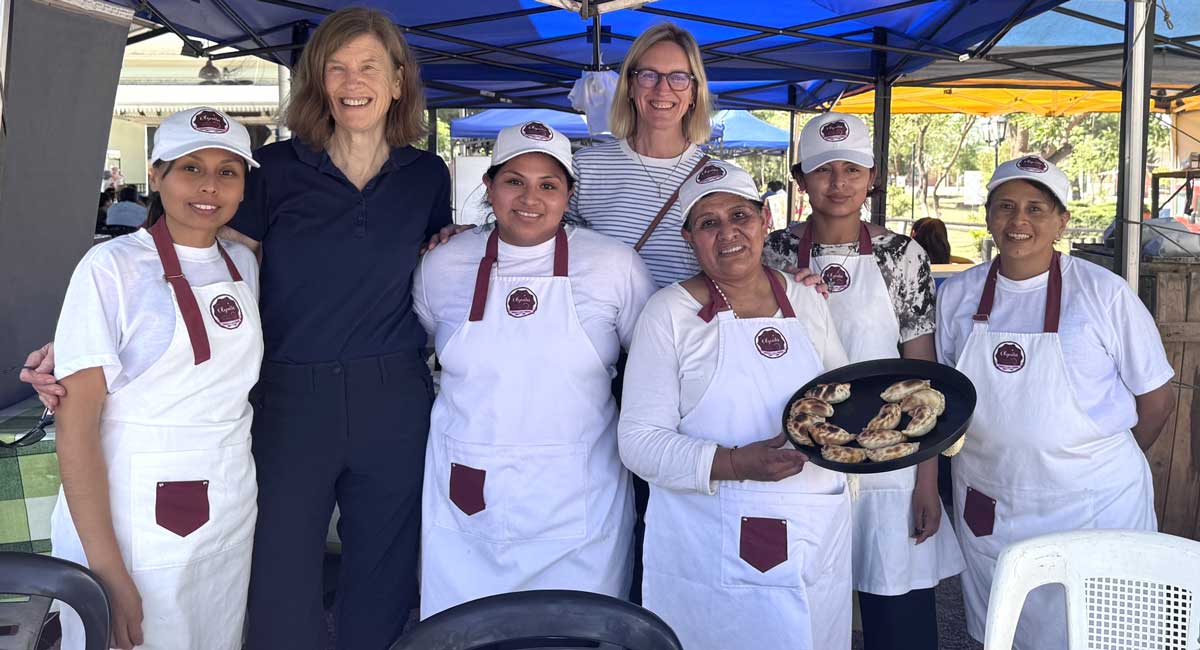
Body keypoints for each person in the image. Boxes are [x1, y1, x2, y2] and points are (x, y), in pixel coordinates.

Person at [21, 8, 448, 650]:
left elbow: (433, 259)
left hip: (393, 388)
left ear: (396, 80)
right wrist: (82, 339)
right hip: (288, 396)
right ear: (318, 81)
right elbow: (202, 251)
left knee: (384, 566)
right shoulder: (274, 170)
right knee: (279, 570)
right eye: (336, 67)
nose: (352, 81)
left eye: (368, 67)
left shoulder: (427, 176)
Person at [414, 121, 656, 617]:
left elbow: (651, 364)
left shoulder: (616, 265)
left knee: (574, 630)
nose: (530, 198)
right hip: (468, 492)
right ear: (489, 186)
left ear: (569, 193)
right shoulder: (443, 264)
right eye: (514, 181)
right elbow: (419, 341)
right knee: (466, 629)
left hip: (579, 496)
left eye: (548, 185)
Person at [937, 155, 1176, 650]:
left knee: (1102, 632)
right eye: (1005, 207)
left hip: (1092, 504)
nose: (1018, 221)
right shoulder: (958, 294)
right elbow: (948, 395)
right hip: (992, 501)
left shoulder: (1104, 294)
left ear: (1062, 220)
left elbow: (1156, 397)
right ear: (988, 215)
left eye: (1036, 208)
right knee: (1007, 629)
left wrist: (1089, 463)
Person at [50, 107, 261, 650]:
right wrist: (107, 573)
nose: (209, 185)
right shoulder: (110, 268)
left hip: (228, 507)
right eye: (191, 168)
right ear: (157, 174)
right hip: (134, 523)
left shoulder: (245, 263)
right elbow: (75, 431)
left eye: (228, 171)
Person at [619, 160, 852, 650]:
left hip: (810, 525)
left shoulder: (807, 301)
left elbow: (846, 402)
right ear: (689, 237)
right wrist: (732, 463)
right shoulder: (669, 313)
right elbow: (638, 443)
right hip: (707, 536)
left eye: (740, 217)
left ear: (766, 219)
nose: (729, 234)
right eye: (709, 223)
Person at [762, 112, 962, 650]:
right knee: (798, 609)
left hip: (891, 460)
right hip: (799, 453)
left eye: (852, 169)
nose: (839, 183)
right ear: (801, 177)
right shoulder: (771, 253)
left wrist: (926, 482)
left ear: (872, 177)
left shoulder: (902, 257)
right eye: (825, 170)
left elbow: (923, 376)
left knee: (898, 618)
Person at [567, 22, 714, 287]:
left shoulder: (717, 179)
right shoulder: (585, 168)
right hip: (601, 328)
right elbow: (545, 250)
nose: (662, 89)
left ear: (694, 92)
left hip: (682, 327)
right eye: (649, 75)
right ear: (631, 86)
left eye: (678, 77)